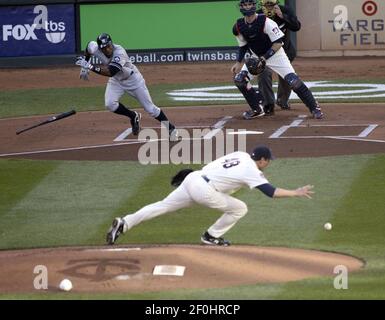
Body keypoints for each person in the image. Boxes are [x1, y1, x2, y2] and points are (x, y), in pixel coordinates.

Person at [106, 145, 314, 246]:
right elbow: (271, 192)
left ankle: (125, 223)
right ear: (261, 159)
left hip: (195, 178)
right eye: (268, 160)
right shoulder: (253, 170)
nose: (269, 163)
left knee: (162, 205)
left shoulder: (240, 155)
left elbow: (218, 168)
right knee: (240, 208)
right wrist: (296, 192)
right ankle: (211, 236)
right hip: (203, 190)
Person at [231, 0, 323, 119]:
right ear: (241, 7)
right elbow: (243, 46)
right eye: (244, 5)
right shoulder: (238, 26)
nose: (247, 7)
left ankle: (314, 107)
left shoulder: (266, 22)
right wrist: (238, 62)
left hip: (276, 55)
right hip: (256, 55)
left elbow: (278, 43)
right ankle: (257, 108)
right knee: (240, 80)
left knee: (293, 81)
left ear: (254, 6)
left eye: (249, 4)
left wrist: (264, 59)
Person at [75, 33, 178, 140]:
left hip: (133, 81)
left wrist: (90, 66)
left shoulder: (119, 52)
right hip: (116, 81)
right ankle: (133, 116)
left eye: (109, 45)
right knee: (110, 104)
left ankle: (171, 128)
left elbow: (111, 72)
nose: (108, 49)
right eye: (105, 48)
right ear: (100, 49)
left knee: (150, 109)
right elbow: (88, 48)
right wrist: (84, 67)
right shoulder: (95, 47)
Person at [257, 0, 301, 113]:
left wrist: (282, 16)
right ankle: (268, 104)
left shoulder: (285, 10)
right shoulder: (257, 15)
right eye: (266, 5)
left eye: (271, 4)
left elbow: (296, 26)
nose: (269, 7)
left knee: (287, 76)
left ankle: (282, 100)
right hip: (266, 53)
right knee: (263, 74)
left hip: (285, 51)